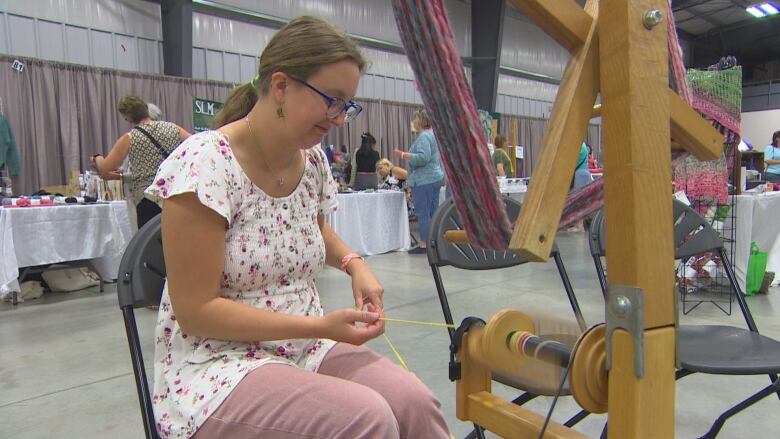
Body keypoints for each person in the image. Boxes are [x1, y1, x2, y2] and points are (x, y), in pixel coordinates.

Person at [145, 16, 449, 439]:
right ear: (282, 86)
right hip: (218, 364)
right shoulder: (205, 164)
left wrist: (353, 263)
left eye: (348, 105)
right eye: (333, 100)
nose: (341, 118)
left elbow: (309, 228)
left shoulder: (313, 162)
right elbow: (197, 314)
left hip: (302, 347)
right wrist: (319, 327)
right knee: (366, 419)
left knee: (415, 404)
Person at [91, 95, 190, 229]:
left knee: (150, 244)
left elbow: (105, 168)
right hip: (174, 194)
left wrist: (97, 157)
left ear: (128, 118)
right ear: (146, 110)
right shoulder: (173, 128)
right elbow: (196, 144)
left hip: (147, 198)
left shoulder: (130, 138)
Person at [394, 110, 444, 254]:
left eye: (414, 119)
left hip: (424, 180)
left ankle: (424, 244)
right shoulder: (434, 134)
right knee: (433, 212)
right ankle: (434, 242)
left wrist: (404, 155)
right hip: (435, 178)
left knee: (423, 213)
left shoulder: (423, 137)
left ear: (420, 121)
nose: (413, 122)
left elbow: (423, 158)